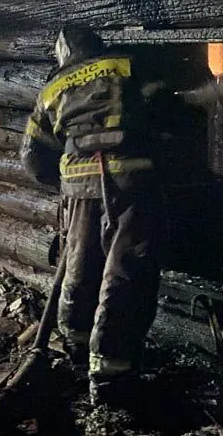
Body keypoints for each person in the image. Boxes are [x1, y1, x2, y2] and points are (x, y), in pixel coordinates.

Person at [20, 24, 173, 409]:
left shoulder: (53, 87)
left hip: (78, 187)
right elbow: (171, 112)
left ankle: (75, 347)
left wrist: (63, 181)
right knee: (126, 270)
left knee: (81, 265)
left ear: (62, 53)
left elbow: (32, 156)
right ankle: (111, 374)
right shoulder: (128, 66)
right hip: (132, 181)